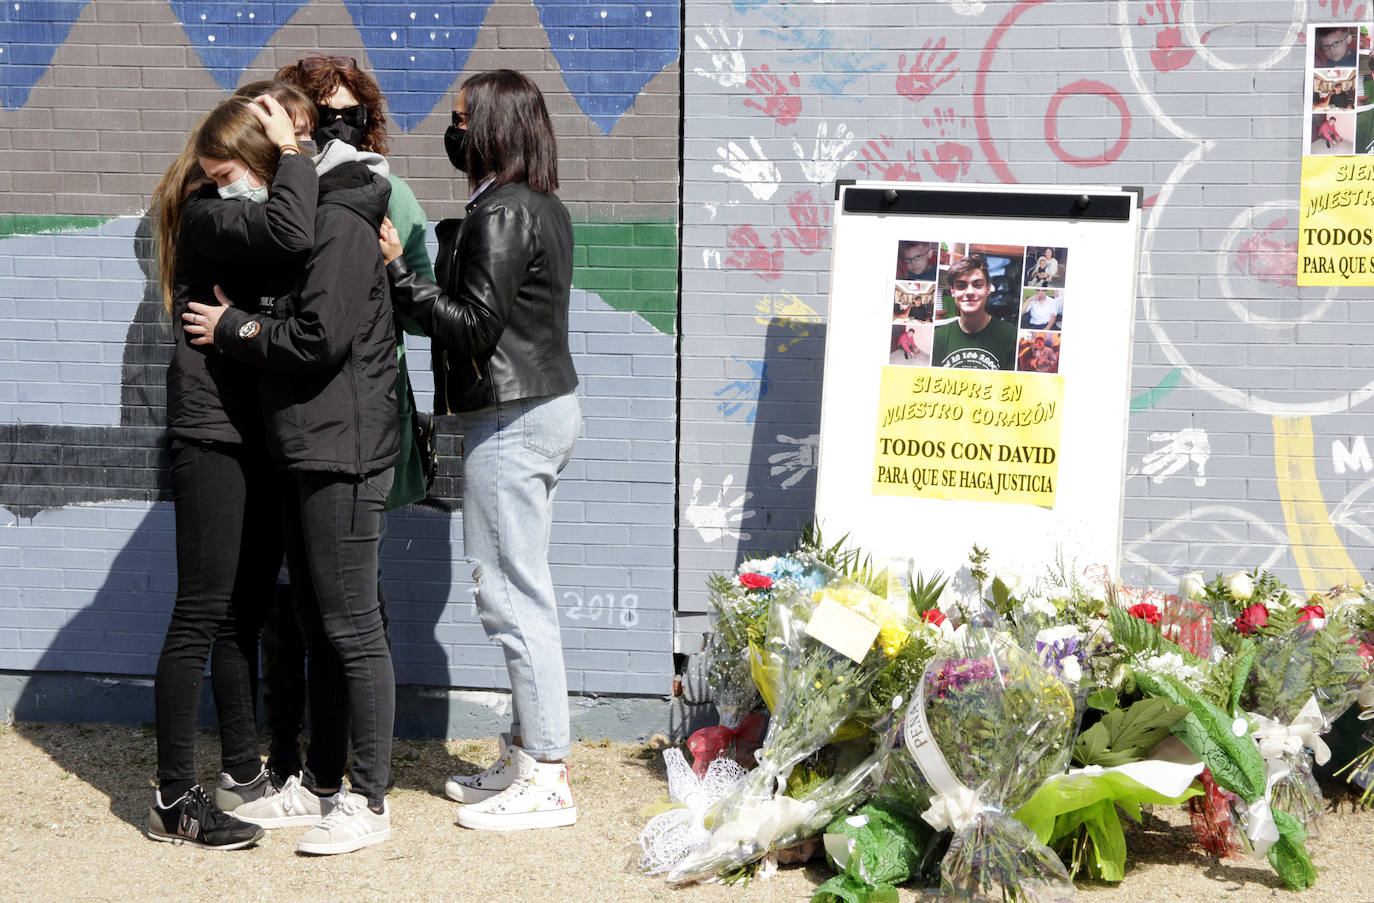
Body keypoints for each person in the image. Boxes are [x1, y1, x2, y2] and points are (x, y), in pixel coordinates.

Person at [186, 114, 401, 856]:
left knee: (351, 630)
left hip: (342, 452)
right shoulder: (315, 218)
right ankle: (322, 785)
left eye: (228, 175)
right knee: (318, 625)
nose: (227, 191)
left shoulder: (339, 221)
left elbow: (318, 337)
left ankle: (368, 800)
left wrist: (235, 327)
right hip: (312, 449)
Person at [379, 69, 580, 831]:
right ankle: (531, 754)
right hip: (540, 406)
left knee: (510, 595)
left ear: (492, 124)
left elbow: (470, 325)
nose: (451, 128)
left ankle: (549, 776)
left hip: (515, 415)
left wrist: (400, 270)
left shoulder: (500, 212)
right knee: (522, 586)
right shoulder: (540, 205)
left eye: (462, 117)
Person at [147, 91, 315, 849]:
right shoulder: (211, 213)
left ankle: (242, 773)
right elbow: (290, 228)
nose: (225, 183)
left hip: (249, 436)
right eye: (219, 171)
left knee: (239, 614)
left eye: (232, 171)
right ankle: (174, 799)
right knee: (199, 615)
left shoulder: (230, 208)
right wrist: (295, 158)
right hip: (210, 437)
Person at [931, 254, 1016, 370]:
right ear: (952, 291)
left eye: (978, 284)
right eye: (961, 286)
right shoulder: (938, 337)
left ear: (988, 289)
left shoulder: (1011, 336)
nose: (969, 292)